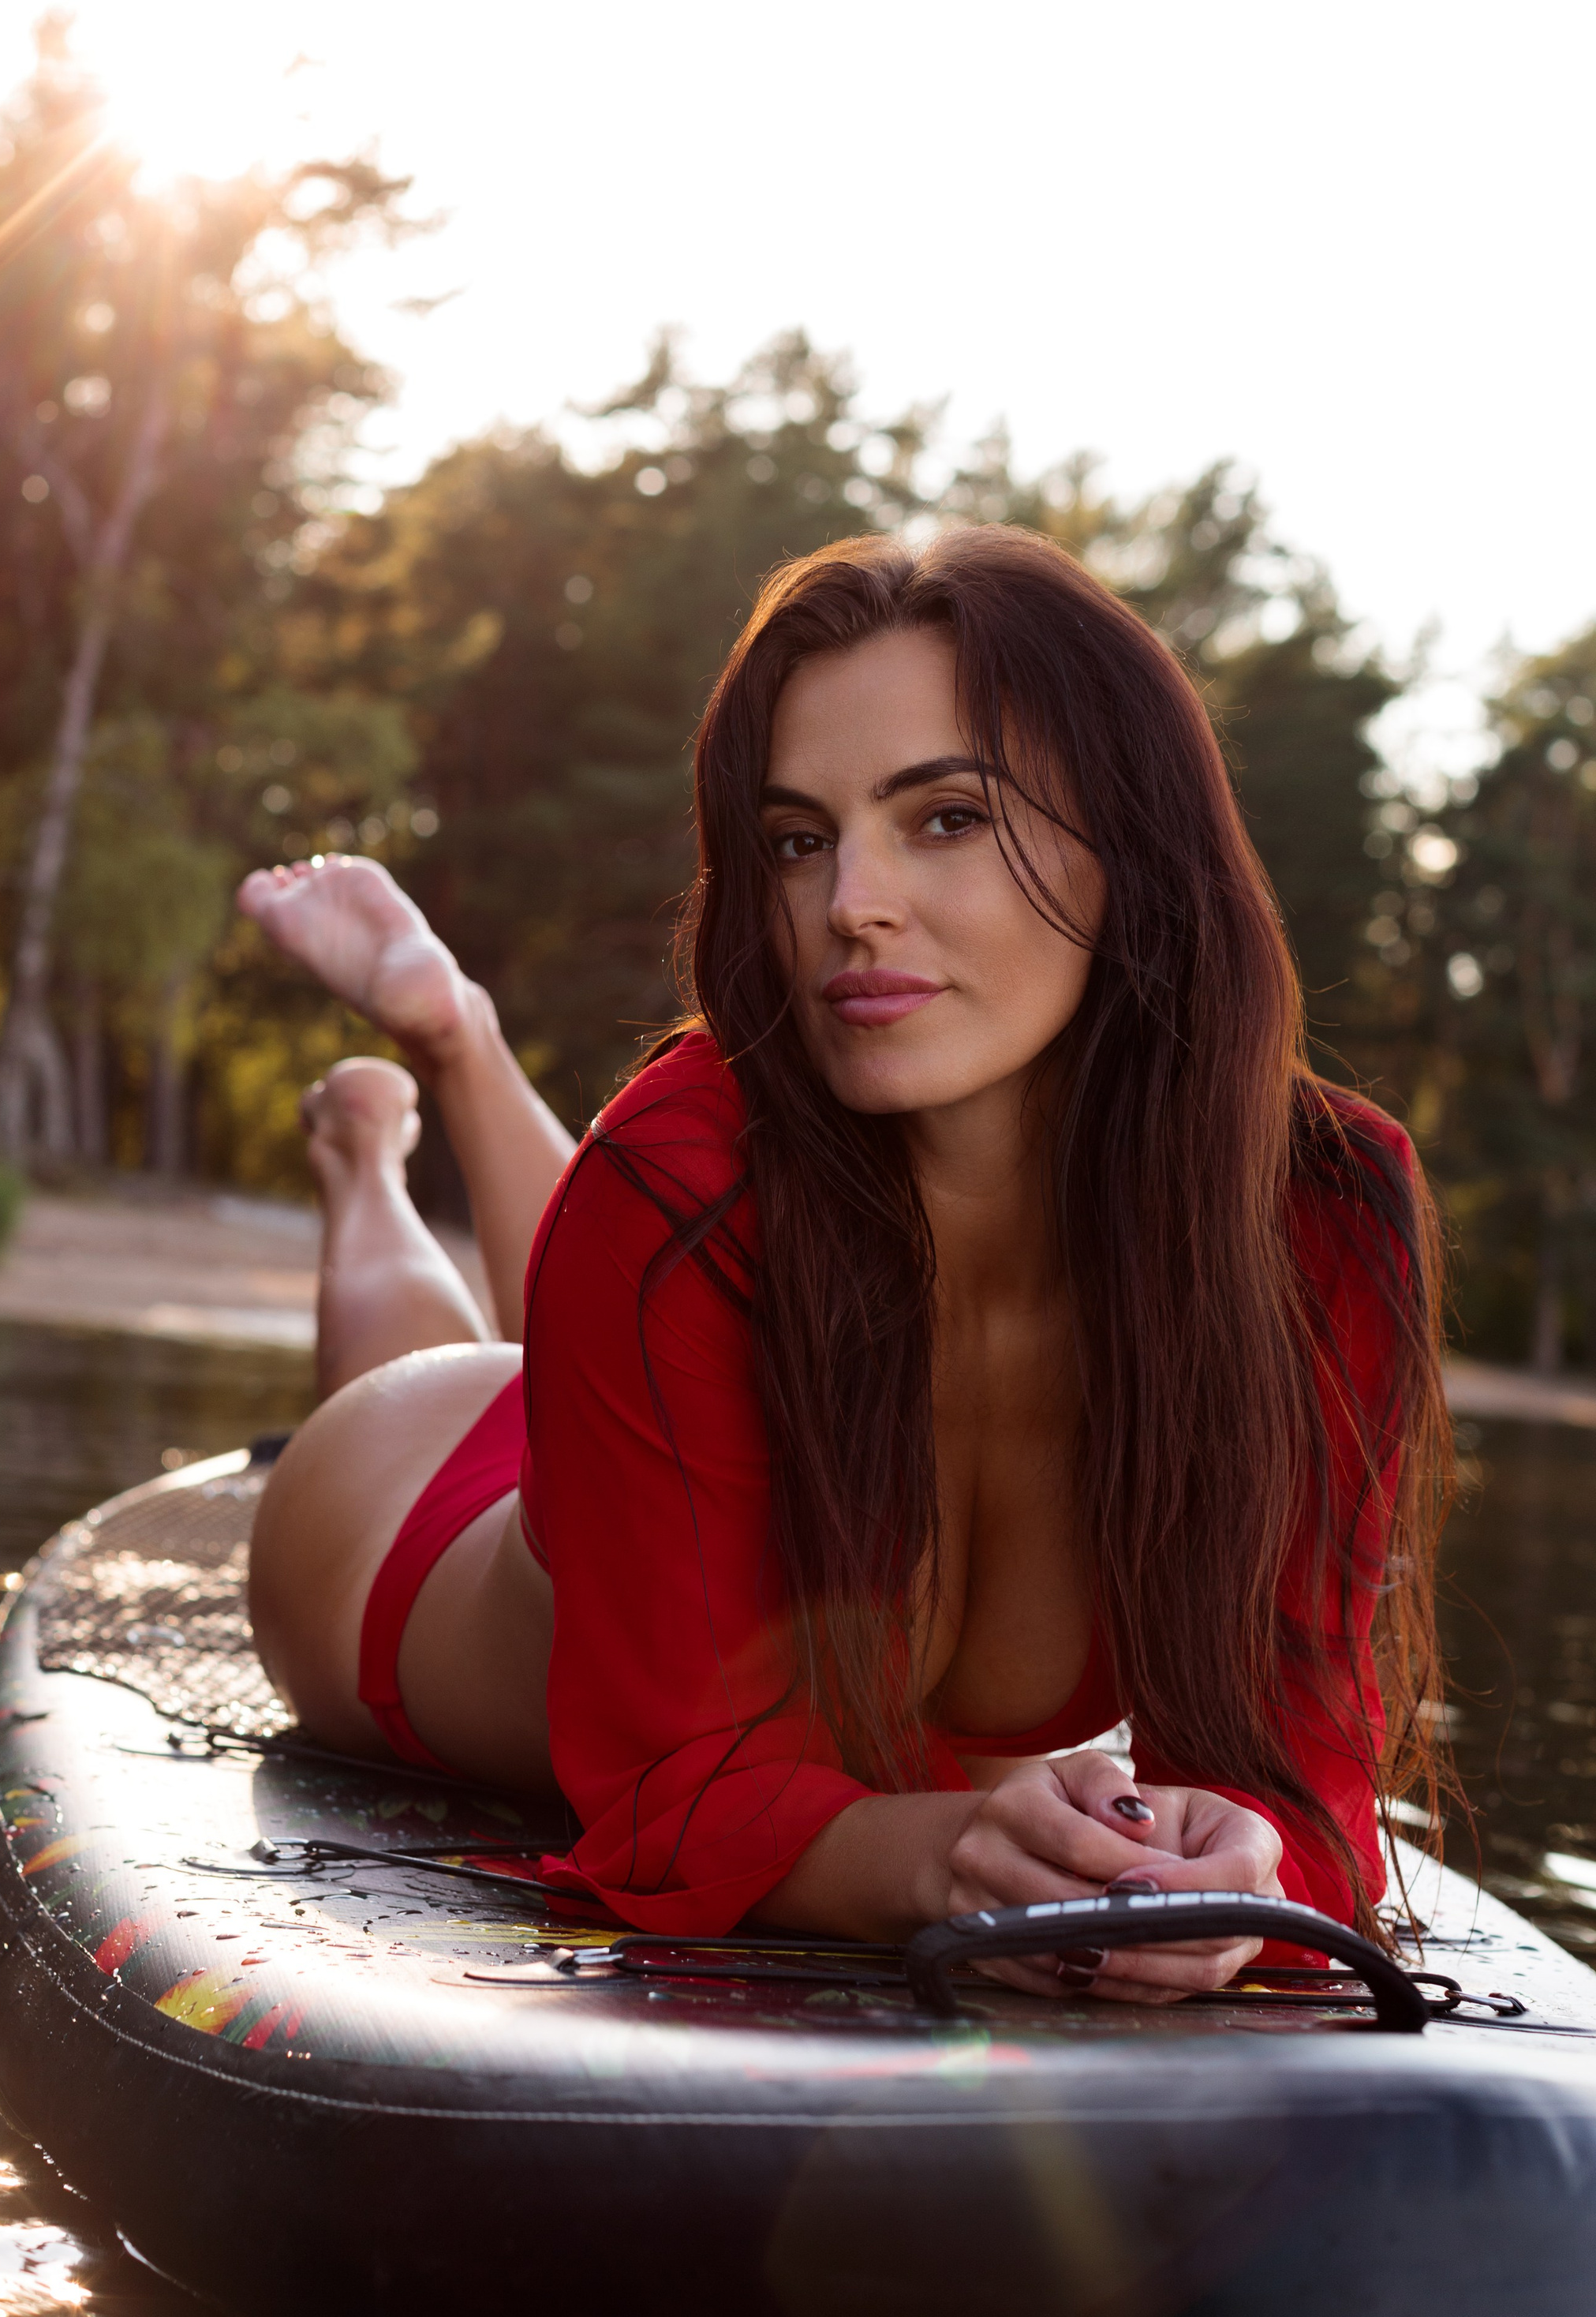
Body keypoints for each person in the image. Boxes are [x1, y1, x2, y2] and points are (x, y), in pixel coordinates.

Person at [241, 526, 1449, 2005]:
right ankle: (387, 1136)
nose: (847, 904)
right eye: (800, 840)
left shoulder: (1321, 1211)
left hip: (675, 1378)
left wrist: (1246, 1869)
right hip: (406, 1527)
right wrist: (953, 1862)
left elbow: (1303, 1770)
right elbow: (672, 1799)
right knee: (444, 1350)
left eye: (944, 818)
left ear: (1130, 842)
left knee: (646, 1255)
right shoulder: (675, 1172)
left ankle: (443, 1052)